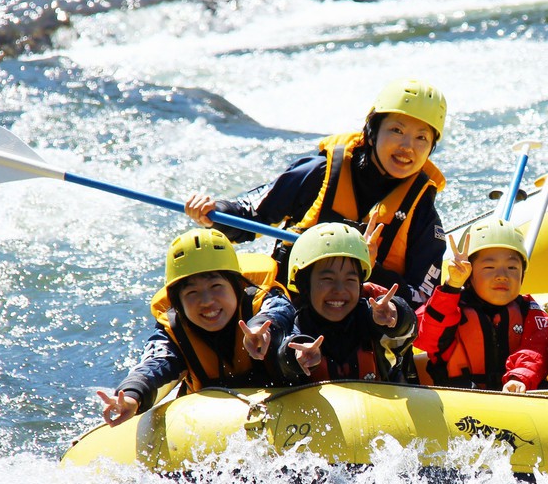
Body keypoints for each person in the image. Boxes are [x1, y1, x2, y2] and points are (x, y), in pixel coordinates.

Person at [185, 78, 448, 309]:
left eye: (421, 138)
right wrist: (214, 213)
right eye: (397, 130)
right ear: (371, 132)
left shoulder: (423, 214)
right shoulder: (319, 173)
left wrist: (371, 270)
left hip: (363, 324)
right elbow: (251, 215)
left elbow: (423, 300)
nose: (407, 147)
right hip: (292, 308)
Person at [97, 228, 295, 426]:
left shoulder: (263, 302)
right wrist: (132, 395)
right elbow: (156, 364)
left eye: (216, 286)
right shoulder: (174, 331)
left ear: (238, 286)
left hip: (283, 404)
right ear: (178, 303)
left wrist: (263, 330)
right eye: (192, 292)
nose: (207, 301)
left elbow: (280, 312)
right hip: (208, 420)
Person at [415, 218, 548, 393]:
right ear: (469, 275)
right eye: (489, 267)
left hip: (516, 393)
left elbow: (537, 349)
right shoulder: (450, 306)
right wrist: (452, 286)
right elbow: (427, 338)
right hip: (460, 398)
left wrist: (519, 377)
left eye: (512, 268)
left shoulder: (529, 311)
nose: (502, 275)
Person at [278, 222, 417, 383]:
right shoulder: (296, 324)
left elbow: (410, 330)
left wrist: (397, 314)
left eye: (350, 279)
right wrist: (296, 359)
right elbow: (283, 357)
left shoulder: (372, 316)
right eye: (327, 279)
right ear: (305, 285)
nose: (339, 289)